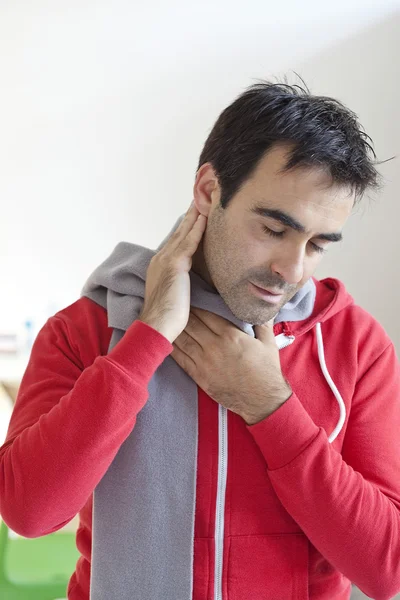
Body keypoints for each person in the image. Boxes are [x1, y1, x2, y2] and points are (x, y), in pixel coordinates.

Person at [1, 80, 399, 600]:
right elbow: (30, 513)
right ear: (210, 192)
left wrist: (271, 408)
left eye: (318, 243)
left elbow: (387, 568)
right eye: (275, 230)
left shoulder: (354, 343)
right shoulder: (89, 328)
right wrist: (147, 341)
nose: (293, 269)